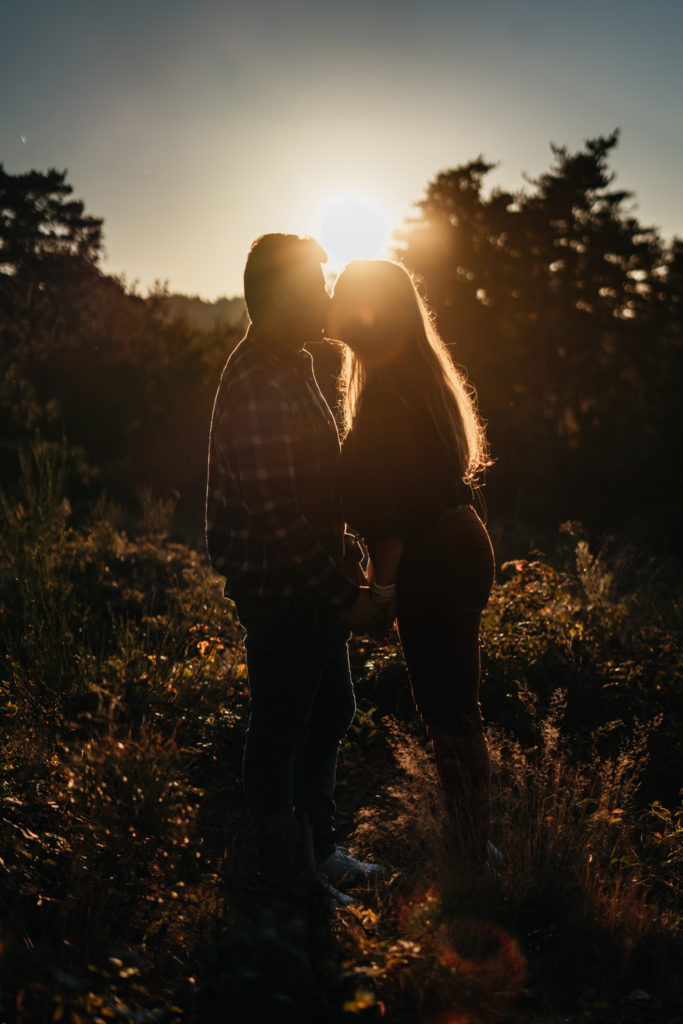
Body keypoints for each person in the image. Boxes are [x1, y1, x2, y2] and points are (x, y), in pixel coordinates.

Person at [205, 234, 381, 899]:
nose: (327, 293)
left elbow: (316, 492)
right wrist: (344, 593)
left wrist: (350, 565)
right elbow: (278, 520)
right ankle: (282, 873)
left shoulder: (292, 362)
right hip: (282, 589)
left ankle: (318, 849)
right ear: (282, 296)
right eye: (316, 282)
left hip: (310, 582)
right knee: (280, 727)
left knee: (329, 711)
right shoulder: (258, 380)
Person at [327, 259, 498, 884]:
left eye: (341, 294)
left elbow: (391, 514)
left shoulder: (388, 397)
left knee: (449, 710)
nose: (331, 300)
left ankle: (473, 856)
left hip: (434, 556)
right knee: (457, 706)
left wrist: (382, 591)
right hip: (459, 544)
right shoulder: (409, 379)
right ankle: (475, 842)